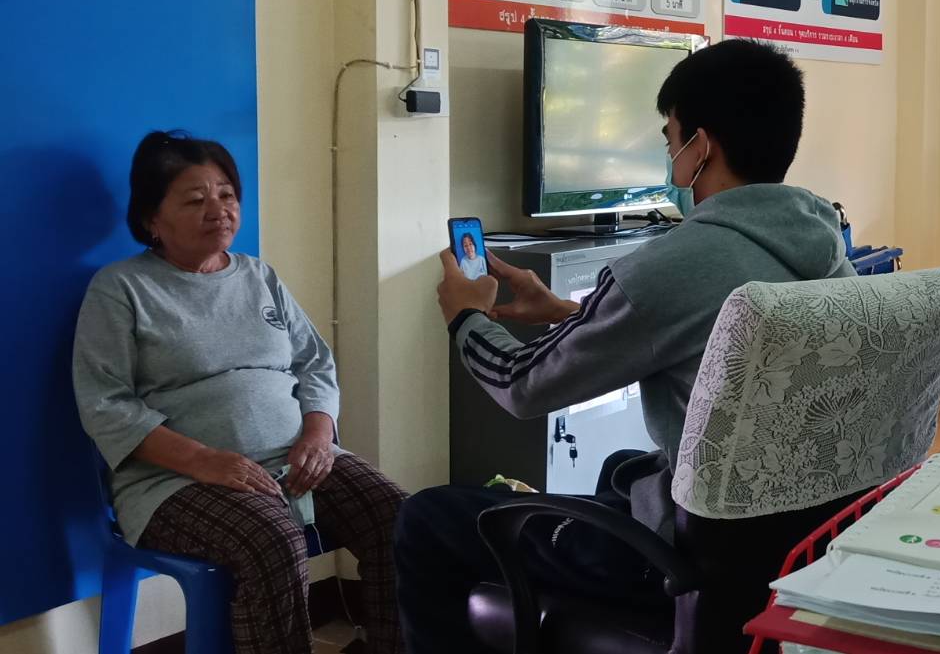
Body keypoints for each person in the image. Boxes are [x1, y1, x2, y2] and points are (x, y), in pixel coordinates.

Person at [396, 39, 855, 653]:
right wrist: (570, 313)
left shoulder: (674, 262)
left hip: (685, 557)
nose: (668, 157)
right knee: (622, 468)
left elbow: (521, 384)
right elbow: (714, 336)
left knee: (427, 516)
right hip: (793, 544)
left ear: (700, 146)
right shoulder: (822, 246)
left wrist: (466, 316)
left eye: (670, 138)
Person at [73, 131, 408, 654]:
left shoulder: (259, 275)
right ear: (151, 219)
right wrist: (206, 461)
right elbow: (105, 403)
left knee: (400, 518)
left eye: (227, 194)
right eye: (195, 200)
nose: (219, 210)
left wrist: (319, 435)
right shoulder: (121, 288)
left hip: (295, 458)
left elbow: (315, 362)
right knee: (270, 541)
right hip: (174, 481)